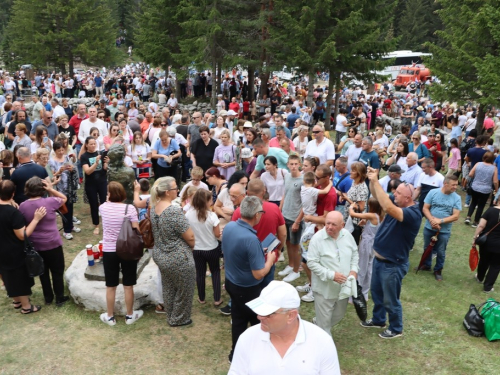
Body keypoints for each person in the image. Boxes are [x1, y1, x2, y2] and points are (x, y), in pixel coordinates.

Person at [360, 166, 422, 339]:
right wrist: (373, 180)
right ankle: (379, 320)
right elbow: (377, 197)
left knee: (390, 299)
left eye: (398, 193)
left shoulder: (412, 214)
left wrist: (376, 181)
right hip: (380, 260)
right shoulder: (398, 203)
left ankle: (396, 328)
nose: (394, 195)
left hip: (393, 264)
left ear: (408, 197)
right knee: (377, 293)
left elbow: (386, 207)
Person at [228, 281, 341, 375]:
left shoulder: (322, 342)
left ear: (291, 315)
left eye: (267, 314)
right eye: (259, 311)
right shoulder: (247, 338)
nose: (259, 317)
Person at [223, 196, 277, 363]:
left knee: (238, 320)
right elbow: (259, 274)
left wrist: (259, 251)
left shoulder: (230, 226)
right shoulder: (251, 239)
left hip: (232, 282)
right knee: (257, 323)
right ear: (257, 215)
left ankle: (235, 354)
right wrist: (269, 259)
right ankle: (254, 356)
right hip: (248, 289)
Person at [150, 177, 196, 326]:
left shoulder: (154, 208)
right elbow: (189, 237)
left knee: (169, 287)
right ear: (168, 192)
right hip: (177, 256)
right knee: (184, 289)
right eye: (176, 188)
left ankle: (171, 314)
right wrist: (192, 244)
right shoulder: (173, 212)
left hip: (160, 254)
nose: (178, 190)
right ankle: (180, 319)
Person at [98, 181, 143, 325]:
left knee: (110, 285)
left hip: (109, 250)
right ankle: (130, 315)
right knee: (128, 285)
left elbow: (105, 205)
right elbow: (136, 229)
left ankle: (110, 316)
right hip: (127, 249)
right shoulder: (129, 209)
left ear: (109, 194)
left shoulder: (103, 208)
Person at [19, 177, 70, 306]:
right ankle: (59, 297)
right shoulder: (50, 202)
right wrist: (51, 189)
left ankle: (48, 297)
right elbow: (64, 198)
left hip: (36, 245)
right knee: (57, 271)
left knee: (43, 273)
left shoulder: (23, 206)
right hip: (53, 243)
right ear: (42, 189)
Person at [307, 211, 359, 336]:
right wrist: (331, 275)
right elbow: (312, 263)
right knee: (325, 326)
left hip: (343, 288)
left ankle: (318, 323)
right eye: (327, 223)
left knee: (338, 315)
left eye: (334, 224)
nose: (329, 227)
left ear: (342, 225)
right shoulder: (317, 239)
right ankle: (326, 347)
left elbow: (355, 254)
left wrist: (353, 270)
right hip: (324, 288)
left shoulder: (347, 235)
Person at [0, 180, 46, 315]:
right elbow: (22, 235)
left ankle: (16, 301)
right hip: (13, 251)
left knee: (7, 275)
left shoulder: (9, 209)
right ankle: (26, 307)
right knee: (19, 278)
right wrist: (36, 219)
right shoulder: (13, 213)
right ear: (13, 193)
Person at [417, 175, 461, 280]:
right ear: (445, 184)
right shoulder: (433, 193)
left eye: (456, 185)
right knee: (427, 247)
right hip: (429, 227)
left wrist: (440, 221)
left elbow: (455, 216)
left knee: (441, 251)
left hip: (444, 231)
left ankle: (438, 270)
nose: (455, 187)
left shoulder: (457, 198)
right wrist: (432, 220)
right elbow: (425, 208)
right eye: (453, 185)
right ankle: (426, 265)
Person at [185, 189, 222, 306]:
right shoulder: (212, 216)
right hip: (211, 248)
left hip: (197, 249)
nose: (212, 200)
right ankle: (217, 299)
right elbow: (217, 234)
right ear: (206, 201)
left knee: (200, 273)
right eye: (210, 199)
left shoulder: (188, 215)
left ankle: (201, 298)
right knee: (215, 272)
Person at [349, 197, 383, 300]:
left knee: (361, 268)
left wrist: (351, 206)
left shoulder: (371, 215)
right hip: (373, 244)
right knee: (369, 269)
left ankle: (355, 294)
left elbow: (353, 214)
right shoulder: (380, 216)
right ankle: (364, 293)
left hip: (366, 244)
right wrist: (365, 222)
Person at [278, 155, 304, 284]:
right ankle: (291, 264)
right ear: (287, 165)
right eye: (291, 164)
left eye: (295, 164)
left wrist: (298, 220)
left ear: (299, 164)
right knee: (287, 242)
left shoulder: (303, 180)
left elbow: (305, 203)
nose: (293, 166)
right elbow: (285, 193)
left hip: (295, 217)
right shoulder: (287, 176)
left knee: (295, 245)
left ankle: (296, 271)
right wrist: (280, 209)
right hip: (285, 215)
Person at [49, 141, 80, 240]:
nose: (61, 152)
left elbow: (73, 168)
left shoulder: (66, 158)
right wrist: (59, 171)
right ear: (55, 151)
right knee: (64, 209)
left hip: (69, 187)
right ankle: (66, 230)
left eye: (62, 150)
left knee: (70, 207)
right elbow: (52, 176)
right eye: (59, 150)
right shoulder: (52, 161)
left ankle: (71, 225)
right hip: (60, 188)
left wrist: (71, 169)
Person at [81, 136, 108, 235]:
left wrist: (106, 164)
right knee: (93, 204)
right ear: (87, 145)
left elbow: (104, 169)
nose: (93, 146)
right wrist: (96, 163)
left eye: (94, 143)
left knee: (104, 203)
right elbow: (87, 171)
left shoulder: (100, 153)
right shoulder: (84, 156)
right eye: (91, 144)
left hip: (102, 181)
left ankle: (106, 224)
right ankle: (96, 225)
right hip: (91, 184)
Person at [473, 202, 500, 293]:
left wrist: (475, 237)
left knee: (484, 260)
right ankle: (488, 287)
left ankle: (480, 277)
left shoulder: (490, 211)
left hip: (487, 241)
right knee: (496, 266)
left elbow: (481, 225)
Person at [466, 152, 498, 227]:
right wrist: (496, 190)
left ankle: (468, 217)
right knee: (481, 205)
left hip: (475, 186)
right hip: (486, 189)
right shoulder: (494, 168)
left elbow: (470, 174)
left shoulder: (478, 164)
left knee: (473, 202)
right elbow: (495, 181)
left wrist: (476, 177)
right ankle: (475, 221)